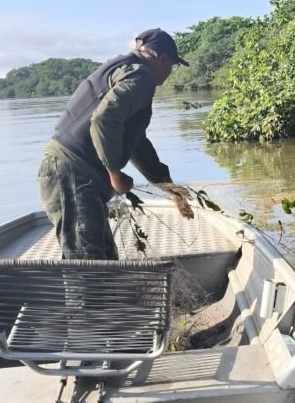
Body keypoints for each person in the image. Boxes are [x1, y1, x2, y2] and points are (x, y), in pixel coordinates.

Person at [38, 28, 194, 260]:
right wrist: (114, 173)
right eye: (173, 66)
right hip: (71, 174)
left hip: (76, 175)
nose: (171, 72)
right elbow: (104, 119)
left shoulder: (124, 69)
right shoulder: (141, 76)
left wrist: (171, 189)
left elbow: (137, 143)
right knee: (87, 265)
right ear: (162, 60)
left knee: (104, 261)